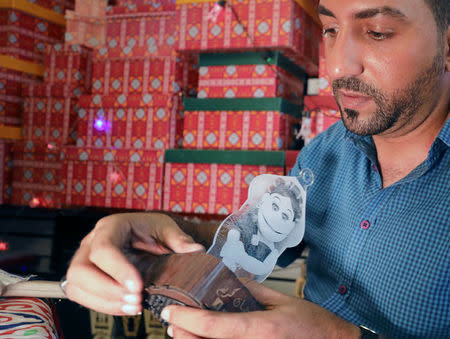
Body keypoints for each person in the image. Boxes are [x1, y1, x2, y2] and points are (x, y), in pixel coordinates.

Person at [64, 0, 449, 337]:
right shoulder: (327, 151)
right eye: (331, 29)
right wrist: (152, 240)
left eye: (378, 32)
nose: (337, 66)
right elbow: (259, 238)